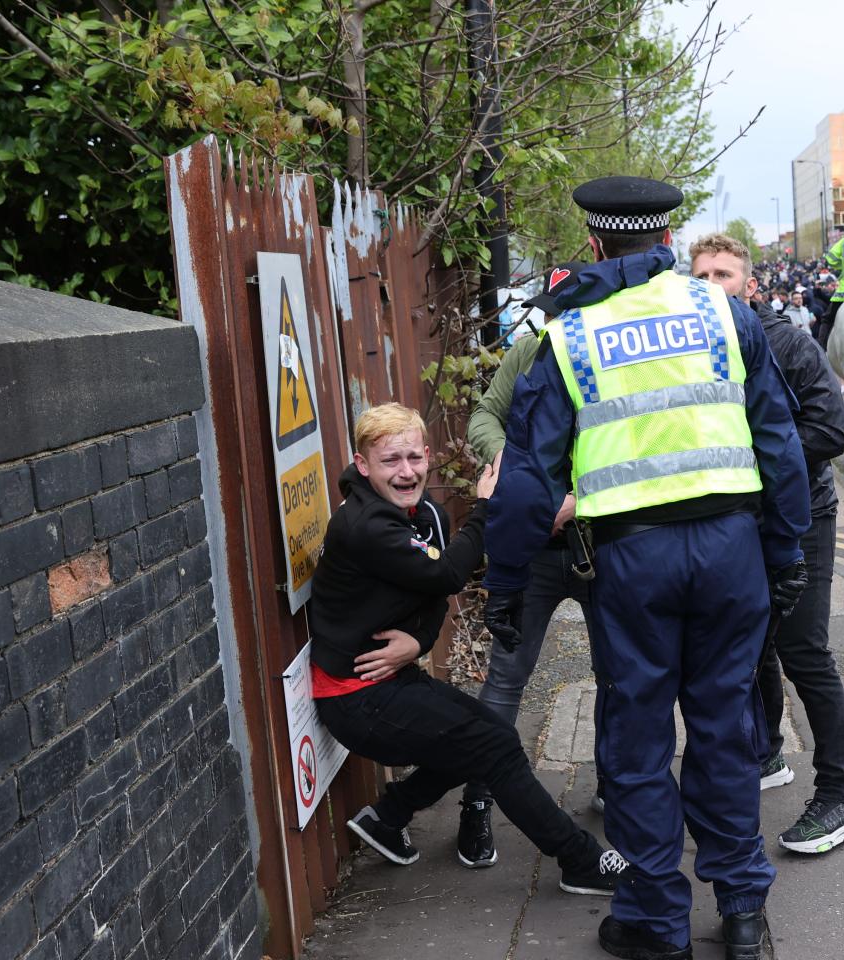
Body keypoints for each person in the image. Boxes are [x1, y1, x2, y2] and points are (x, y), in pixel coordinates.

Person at [482, 177, 811, 960]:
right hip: (731, 552)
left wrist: (504, 581)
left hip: (631, 560)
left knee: (634, 740)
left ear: (594, 245)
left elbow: (529, 476)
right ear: (668, 241)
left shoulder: (571, 336)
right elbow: (780, 443)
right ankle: (740, 913)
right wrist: (786, 551)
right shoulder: (726, 315)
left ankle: (657, 922)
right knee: (727, 730)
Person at [308, 403, 627, 892]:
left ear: (429, 455)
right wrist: (486, 508)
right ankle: (579, 860)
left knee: (482, 733)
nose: (407, 471)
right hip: (355, 695)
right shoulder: (367, 526)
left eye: (414, 457)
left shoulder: (422, 512)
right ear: (363, 463)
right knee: (493, 743)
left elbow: (439, 584)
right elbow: (448, 572)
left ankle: (388, 817)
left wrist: (418, 640)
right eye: (391, 460)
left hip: (389, 677)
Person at [687, 234, 844, 857]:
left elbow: (829, 430)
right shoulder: (693, 347)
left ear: (750, 283)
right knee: (753, 637)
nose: (714, 285)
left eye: (726, 274)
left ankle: (840, 796)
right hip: (736, 520)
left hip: (802, 515)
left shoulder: (788, 342)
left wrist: (747, 457)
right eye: (703, 275)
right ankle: (766, 756)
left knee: (803, 649)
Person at [460, 262, 598, 864]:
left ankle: (618, 790)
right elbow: (483, 417)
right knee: (507, 675)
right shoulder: (529, 351)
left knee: (620, 677)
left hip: (603, 542)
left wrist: (579, 499)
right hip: (534, 548)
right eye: (555, 305)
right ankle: (477, 801)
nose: (561, 316)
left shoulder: (614, 353)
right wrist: (516, 474)